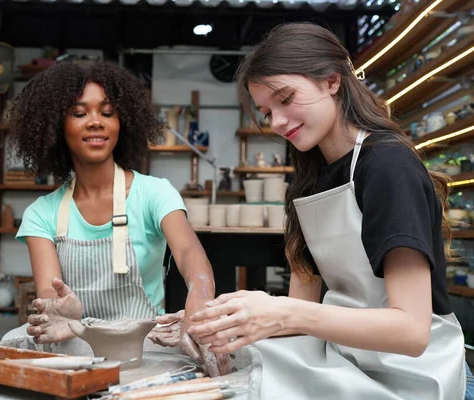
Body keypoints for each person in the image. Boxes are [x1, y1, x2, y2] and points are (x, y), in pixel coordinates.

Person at [187, 22, 474, 399]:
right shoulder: (311, 181)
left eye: (285, 99)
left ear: (332, 81)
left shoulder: (387, 166)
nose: (276, 122)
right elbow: (302, 310)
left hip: (412, 374)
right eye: (266, 111)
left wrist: (282, 312)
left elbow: (412, 332)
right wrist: (224, 322)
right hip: (346, 358)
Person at [1, 59, 229, 376]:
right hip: (78, 346)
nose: (96, 122)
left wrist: (200, 298)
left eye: (107, 112)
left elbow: (190, 253)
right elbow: (50, 295)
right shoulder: (42, 213)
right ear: (56, 126)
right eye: (80, 113)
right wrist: (64, 312)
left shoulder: (154, 193)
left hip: (148, 346)